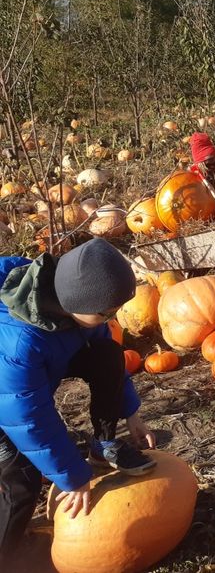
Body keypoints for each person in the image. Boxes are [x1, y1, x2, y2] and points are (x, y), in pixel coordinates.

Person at [0, 239, 156, 558]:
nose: (112, 318)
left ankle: (103, 446)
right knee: (21, 481)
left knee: (107, 354)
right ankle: (7, 552)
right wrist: (73, 477)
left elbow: (106, 356)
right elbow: (29, 419)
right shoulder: (19, 344)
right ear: (75, 304)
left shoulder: (74, 298)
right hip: (7, 402)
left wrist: (131, 412)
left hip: (21, 389)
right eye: (106, 312)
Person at [188, 132, 215, 202]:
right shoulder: (191, 183)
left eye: (214, 159)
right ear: (200, 163)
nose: (213, 165)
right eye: (208, 162)